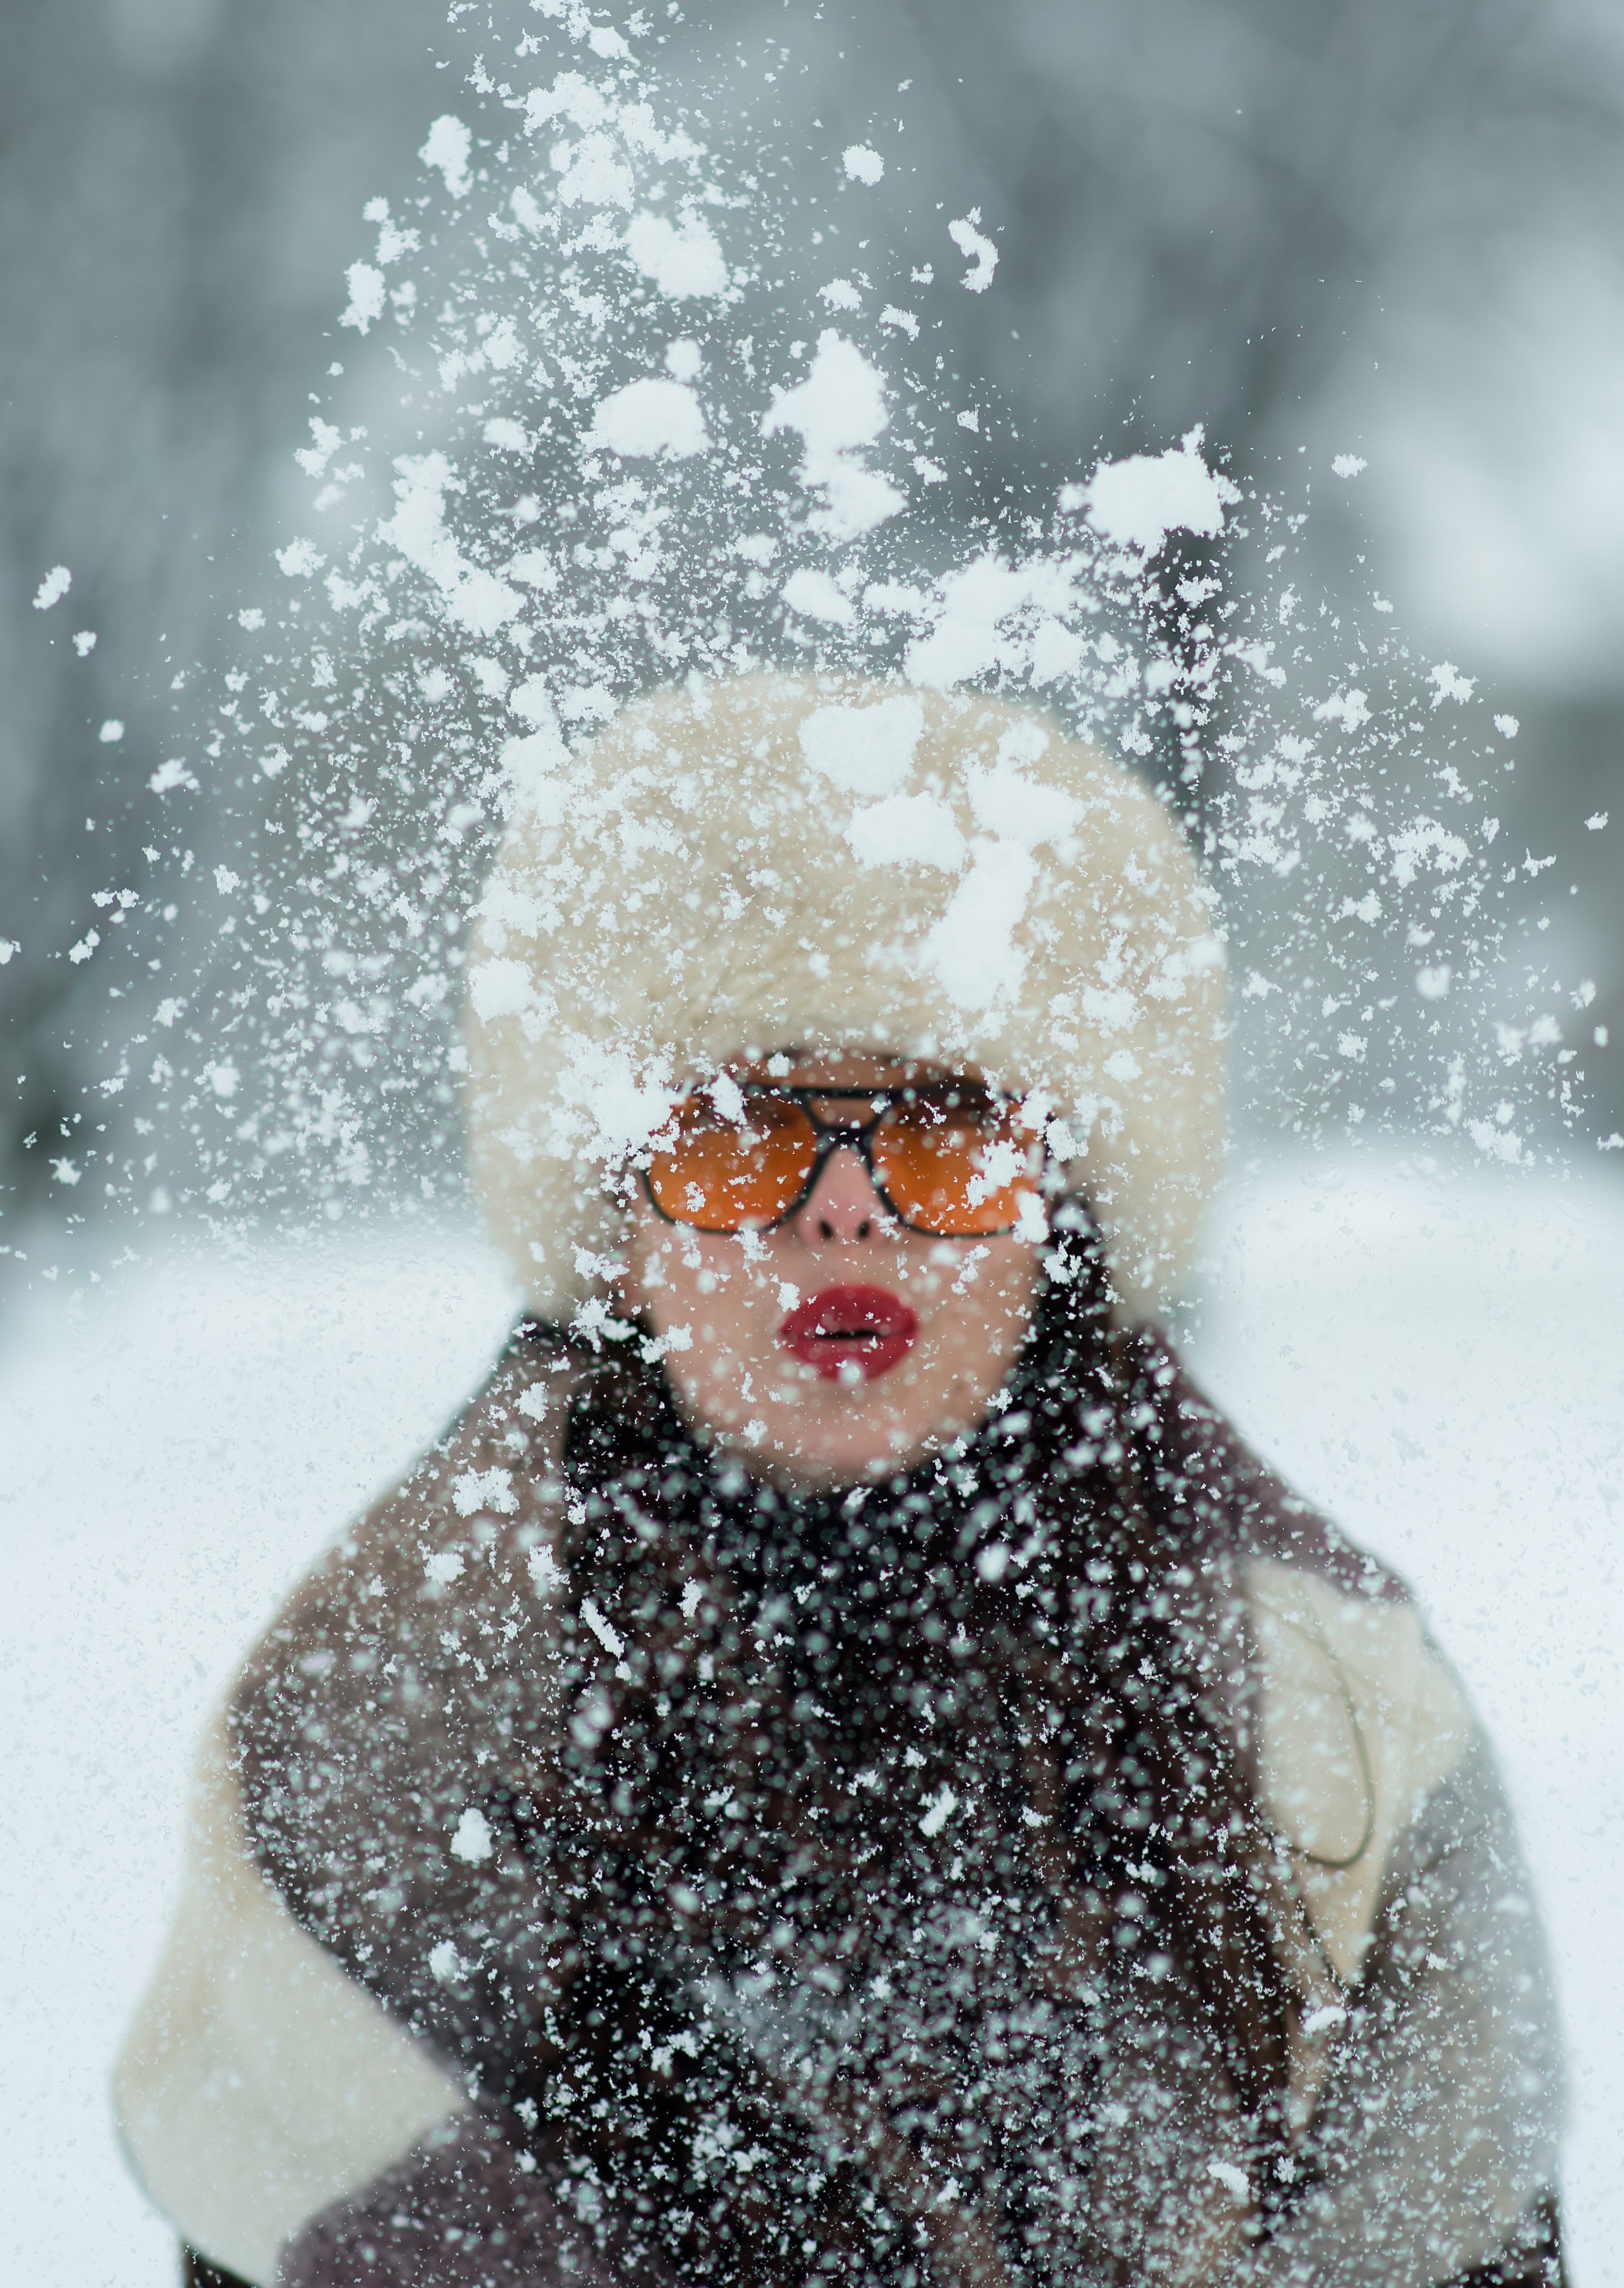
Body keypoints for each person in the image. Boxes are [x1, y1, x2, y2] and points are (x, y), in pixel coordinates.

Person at [115, 670, 1566, 2287]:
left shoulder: (1330, 1703)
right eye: (738, 1134)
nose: (842, 1216)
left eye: (945, 1140)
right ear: (620, 1229)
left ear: (1059, 1222)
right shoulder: (378, 1718)